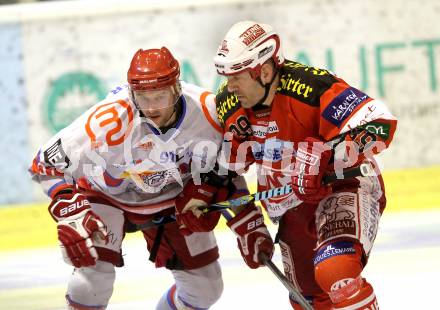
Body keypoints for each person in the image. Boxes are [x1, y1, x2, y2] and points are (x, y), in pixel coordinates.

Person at [179, 21, 398, 309]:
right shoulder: (229, 103)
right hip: (290, 203)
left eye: (237, 77)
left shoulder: (311, 87)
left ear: (265, 71)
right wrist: (202, 195)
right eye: (226, 77)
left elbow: (380, 124)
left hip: (342, 186)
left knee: (336, 273)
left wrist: (327, 156)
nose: (229, 87)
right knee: (307, 298)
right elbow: (228, 164)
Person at [30, 46, 248, 310]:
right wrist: (68, 210)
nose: (152, 107)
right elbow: (43, 163)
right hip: (106, 195)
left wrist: (249, 223)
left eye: (160, 96)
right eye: (143, 97)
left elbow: (227, 167)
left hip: (174, 198)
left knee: (205, 288)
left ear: (177, 88)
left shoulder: (208, 112)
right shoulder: (107, 121)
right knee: (91, 284)